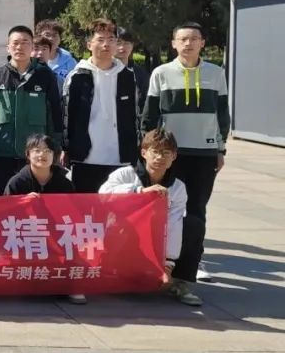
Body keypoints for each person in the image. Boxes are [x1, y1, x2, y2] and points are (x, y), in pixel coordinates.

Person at [142, 21, 229, 287]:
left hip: (204, 154)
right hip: (171, 155)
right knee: (165, 207)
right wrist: (148, 150)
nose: (188, 43)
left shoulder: (216, 73)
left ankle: (193, 263)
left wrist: (220, 148)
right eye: (183, 39)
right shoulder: (161, 73)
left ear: (202, 43)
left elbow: (222, 114)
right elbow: (150, 116)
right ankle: (159, 260)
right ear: (173, 44)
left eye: (194, 39)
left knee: (196, 210)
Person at [100, 128, 199, 305]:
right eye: (155, 151)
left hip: (157, 237)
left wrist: (168, 265)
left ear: (174, 156)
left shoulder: (177, 187)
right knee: (120, 224)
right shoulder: (125, 174)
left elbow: (174, 224)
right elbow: (103, 196)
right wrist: (140, 192)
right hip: (126, 235)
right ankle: (118, 273)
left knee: (193, 224)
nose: (160, 157)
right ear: (144, 152)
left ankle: (179, 282)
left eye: (166, 153)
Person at [0, 26, 64, 194]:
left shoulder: (45, 76)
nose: (20, 47)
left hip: (36, 155)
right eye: (15, 43)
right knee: (3, 202)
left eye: (25, 43)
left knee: (35, 202)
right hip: (2, 154)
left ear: (32, 47)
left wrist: (55, 146)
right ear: (8, 47)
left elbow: (55, 116)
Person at [3, 134, 85, 305]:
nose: (42, 155)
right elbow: (3, 215)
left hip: (56, 236)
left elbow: (75, 215)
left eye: (47, 151)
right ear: (28, 154)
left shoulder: (64, 183)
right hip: (26, 237)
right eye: (37, 150)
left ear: (54, 155)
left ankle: (71, 285)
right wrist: (22, 203)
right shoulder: (17, 182)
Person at [63, 18, 140, 193]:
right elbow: (67, 115)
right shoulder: (77, 76)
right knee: (85, 207)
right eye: (100, 39)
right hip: (85, 158)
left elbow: (134, 116)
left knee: (117, 208)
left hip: (119, 158)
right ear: (89, 44)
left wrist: (134, 151)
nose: (106, 45)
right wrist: (66, 148)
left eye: (111, 40)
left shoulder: (127, 76)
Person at [116, 27, 150, 113]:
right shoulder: (103, 71)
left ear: (132, 46)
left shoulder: (140, 73)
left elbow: (145, 103)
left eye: (126, 43)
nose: (122, 47)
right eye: (118, 43)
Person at [36, 20, 77, 91]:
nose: (51, 39)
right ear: (39, 37)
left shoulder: (69, 61)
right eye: (47, 35)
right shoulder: (32, 59)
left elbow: (75, 86)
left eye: (55, 35)